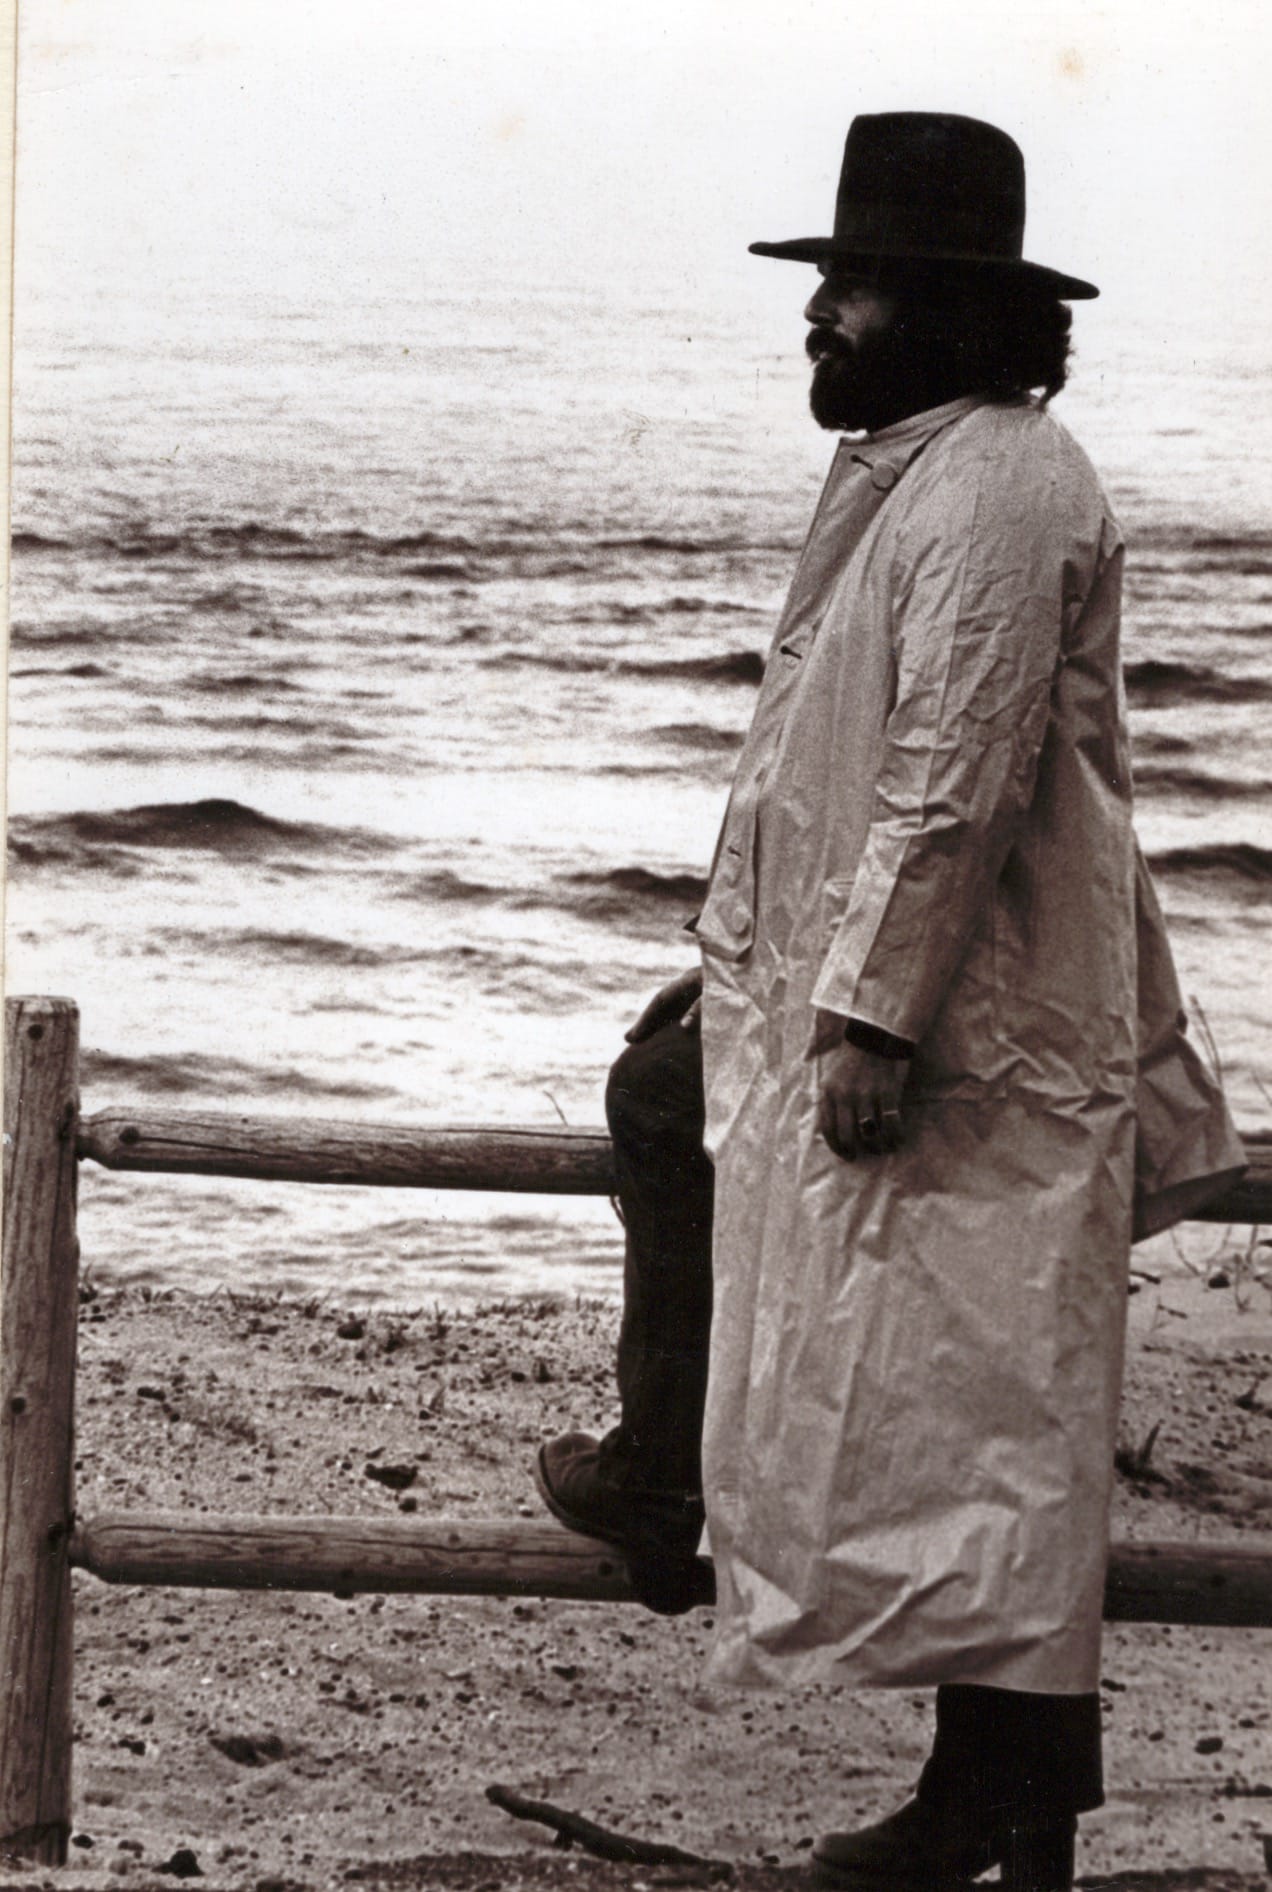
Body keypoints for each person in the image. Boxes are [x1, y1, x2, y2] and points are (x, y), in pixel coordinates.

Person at [533, 113, 1246, 1892]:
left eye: (852, 284)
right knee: (695, 1126)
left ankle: (988, 1800)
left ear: (941, 308)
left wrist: (873, 1018)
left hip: (979, 1019)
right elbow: (839, 767)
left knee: (991, 1420)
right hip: (922, 986)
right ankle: (677, 1478)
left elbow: (955, 775)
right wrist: (740, 961)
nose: (822, 312)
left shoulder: (997, 482)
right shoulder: (926, 468)